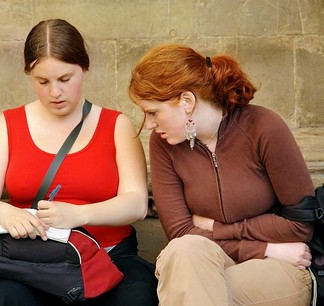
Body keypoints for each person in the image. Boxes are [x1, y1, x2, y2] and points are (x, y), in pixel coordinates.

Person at [0, 19, 158, 306]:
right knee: (7, 297)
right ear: (30, 75)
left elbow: (136, 203)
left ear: (84, 69)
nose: (55, 92)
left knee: (136, 298)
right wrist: (6, 213)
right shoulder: (7, 125)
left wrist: (78, 216)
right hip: (36, 260)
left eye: (65, 79)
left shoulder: (116, 125)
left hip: (109, 255)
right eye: (43, 82)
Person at [127, 44, 315, 306]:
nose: (148, 124)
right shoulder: (164, 145)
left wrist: (216, 227)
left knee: (187, 287)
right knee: (184, 252)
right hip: (244, 255)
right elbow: (181, 232)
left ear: (187, 101)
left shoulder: (263, 128)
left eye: (153, 112)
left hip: (278, 266)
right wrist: (264, 245)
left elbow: (300, 224)